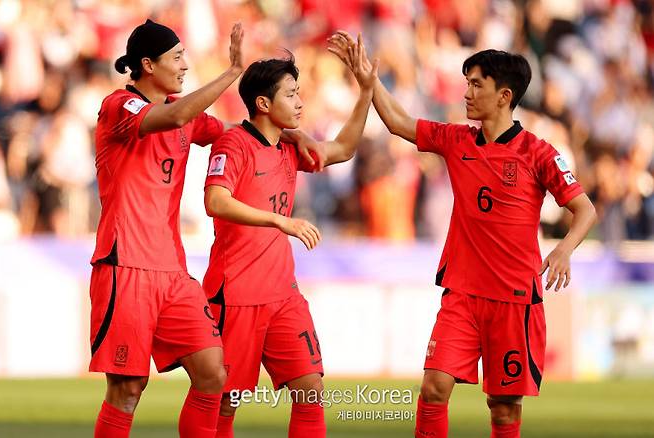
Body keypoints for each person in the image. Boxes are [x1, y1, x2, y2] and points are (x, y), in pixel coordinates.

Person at [328, 33, 597, 438]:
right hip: (463, 295)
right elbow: (400, 123)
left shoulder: (538, 153)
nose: (467, 93)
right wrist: (368, 81)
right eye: (466, 83)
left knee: (504, 410)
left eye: (476, 85)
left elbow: (585, 210)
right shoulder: (458, 140)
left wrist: (563, 249)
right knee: (433, 387)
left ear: (504, 95)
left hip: (514, 299)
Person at [89, 19, 323, 438]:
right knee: (127, 388)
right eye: (176, 57)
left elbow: (246, 132)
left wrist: (293, 133)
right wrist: (232, 73)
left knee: (215, 374)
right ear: (147, 64)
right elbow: (175, 113)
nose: (184, 65)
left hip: (174, 273)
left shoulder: (190, 119)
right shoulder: (118, 106)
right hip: (125, 266)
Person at [201, 41, 378, 438]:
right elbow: (215, 200)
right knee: (225, 401)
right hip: (236, 294)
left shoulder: (289, 146)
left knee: (310, 390)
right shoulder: (233, 144)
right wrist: (279, 221)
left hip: (283, 294)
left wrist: (365, 90)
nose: (300, 102)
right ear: (263, 103)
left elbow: (344, 148)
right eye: (291, 94)